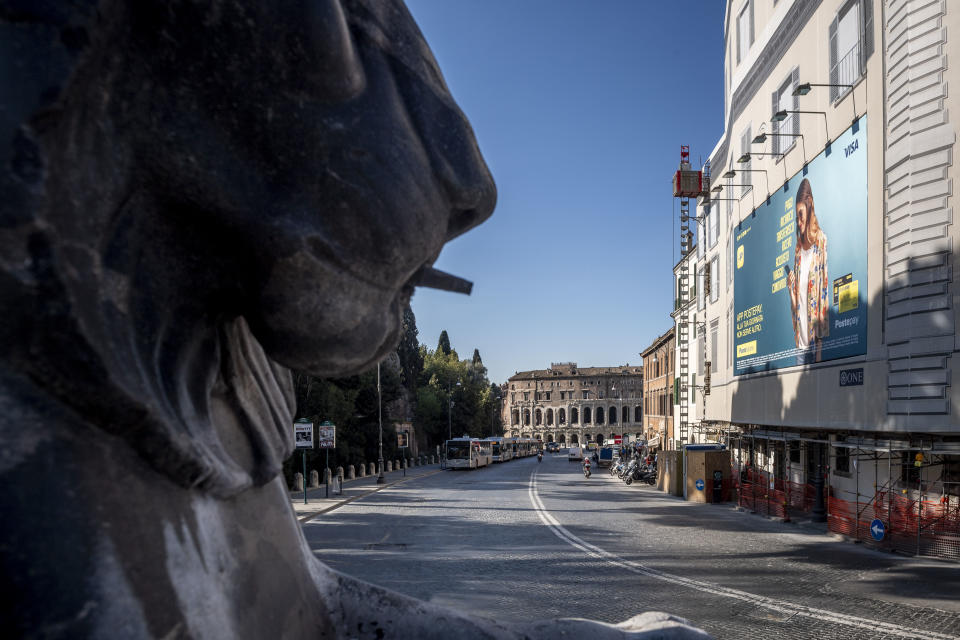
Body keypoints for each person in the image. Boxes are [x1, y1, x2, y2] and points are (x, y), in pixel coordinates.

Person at [787, 178, 829, 365]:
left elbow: (823, 296)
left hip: (813, 346)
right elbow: (797, 306)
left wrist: (819, 350)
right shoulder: (797, 251)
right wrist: (790, 291)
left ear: (810, 205)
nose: (799, 222)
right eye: (797, 217)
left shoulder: (820, 242)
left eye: (801, 215)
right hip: (800, 346)